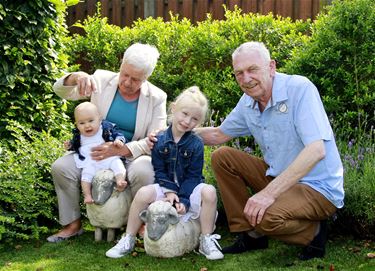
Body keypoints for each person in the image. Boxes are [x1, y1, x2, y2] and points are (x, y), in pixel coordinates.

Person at [194, 41, 344, 260]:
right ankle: (251, 235)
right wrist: (173, 134)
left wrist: (267, 195)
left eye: (252, 69)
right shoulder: (248, 102)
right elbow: (219, 135)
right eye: (239, 73)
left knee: (265, 217)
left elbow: (316, 150)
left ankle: (314, 233)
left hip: (318, 187)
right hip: (280, 178)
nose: (246, 79)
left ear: (271, 67)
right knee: (222, 157)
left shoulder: (299, 89)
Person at [47, 43, 167, 243]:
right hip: (92, 151)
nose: (127, 82)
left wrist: (123, 150)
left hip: (131, 154)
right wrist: (77, 77)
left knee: (145, 170)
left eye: (135, 79)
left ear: (146, 78)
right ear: (121, 64)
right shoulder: (101, 79)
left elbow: (156, 139)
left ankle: (138, 225)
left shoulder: (157, 97)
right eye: (125, 74)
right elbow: (60, 91)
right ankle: (72, 224)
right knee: (61, 167)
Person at [105, 86, 224, 260]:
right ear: (174, 108)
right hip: (166, 186)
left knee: (209, 191)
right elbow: (159, 170)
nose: (187, 121)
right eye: (184, 114)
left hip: (189, 190)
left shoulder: (196, 144)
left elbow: (193, 176)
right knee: (143, 193)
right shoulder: (159, 140)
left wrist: (182, 199)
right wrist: (168, 191)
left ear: (198, 123)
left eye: (194, 119)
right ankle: (128, 238)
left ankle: (206, 240)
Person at [67, 101, 127, 204]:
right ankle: (87, 195)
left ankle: (120, 181)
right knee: (86, 176)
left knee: (118, 164)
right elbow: (75, 145)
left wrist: (119, 141)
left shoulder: (105, 128)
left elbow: (118, 134)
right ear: (76, 125)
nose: (87, 126)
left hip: (108, 158)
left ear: (99, 119)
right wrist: (70, 146)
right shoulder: (79, 135)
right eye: (82, 123)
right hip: (91, 161)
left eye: (91, 121)